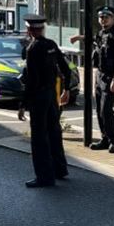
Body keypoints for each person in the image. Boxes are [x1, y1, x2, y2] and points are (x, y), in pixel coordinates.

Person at [18, 14, 72, 188]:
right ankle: (60, 169)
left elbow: (32, 80)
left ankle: (44, 177)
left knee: (39, 138)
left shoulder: (32, 49)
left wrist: (22, 105)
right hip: (51, 95)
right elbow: (66, 68)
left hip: (39, 97)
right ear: (42, 28)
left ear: (29, 29)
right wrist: (67, 88)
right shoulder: (51, 45)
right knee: (54, 132)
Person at [70, 5, 114, 153]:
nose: (103, 20)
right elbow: (93, 39)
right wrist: (78, 37)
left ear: (112, 18)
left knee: (107, 110)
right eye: (101, 17)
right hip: (99, 75)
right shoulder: (101, 33)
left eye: (106, 17)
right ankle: (105, 139)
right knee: (100, 110)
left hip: (110, 76)